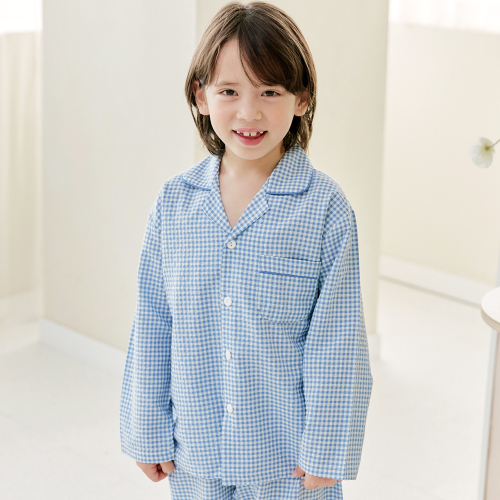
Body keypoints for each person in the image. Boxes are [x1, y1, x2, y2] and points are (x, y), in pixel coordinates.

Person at [119, 2, 373, 499]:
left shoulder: (326, 210)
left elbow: (338, 342)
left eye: (270, 91)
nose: (249, 112)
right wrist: (146, 427)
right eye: (229, 91)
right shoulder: (174, 204)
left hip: (288, 465)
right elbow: (153, 323)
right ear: (201, 95)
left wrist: (327, 449)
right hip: (195, 455)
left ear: (301, 99)